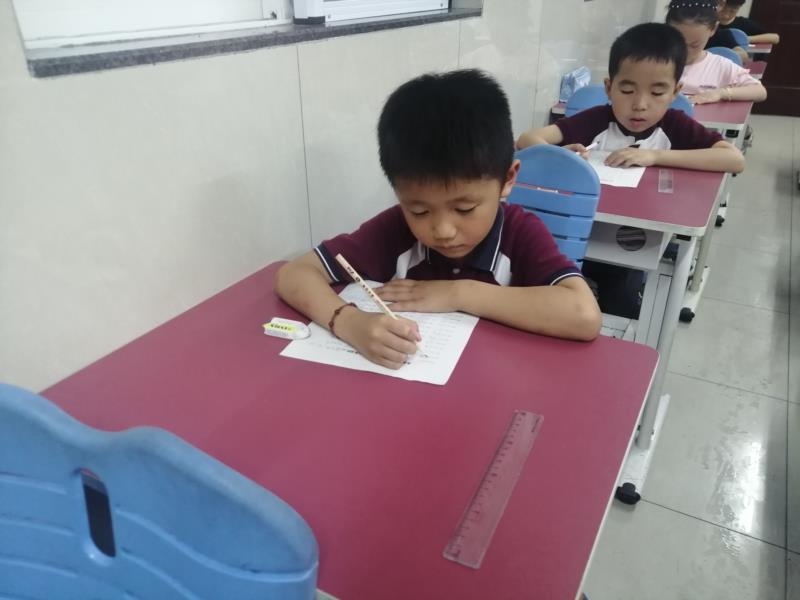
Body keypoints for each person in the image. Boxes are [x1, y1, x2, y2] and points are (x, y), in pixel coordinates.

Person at [275, 70, 601, 370]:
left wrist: (458, 293)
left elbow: (584, 315)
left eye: (465, 208)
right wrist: (349, 323)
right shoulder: (395, 230)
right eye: (419, 211)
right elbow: (295, 274)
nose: (443, 231)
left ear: (508, 179)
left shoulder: (520, 233)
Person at [516, 22, 744, 174]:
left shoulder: (675, 125)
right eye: (627, 91)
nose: (640, 105)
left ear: (675, 93)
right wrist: (559, 155)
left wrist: (654, 156)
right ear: (609, 88)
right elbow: (527, 139)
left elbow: (734, 159)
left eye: (657, 93)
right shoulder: (596, 119)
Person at [667, 0, 768, 104]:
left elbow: (760, 91)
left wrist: (721, 93)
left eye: (695, 45)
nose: (685, 51)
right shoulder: (658, 61)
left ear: (713, 29)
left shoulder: (719, 65)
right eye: (678, 42)